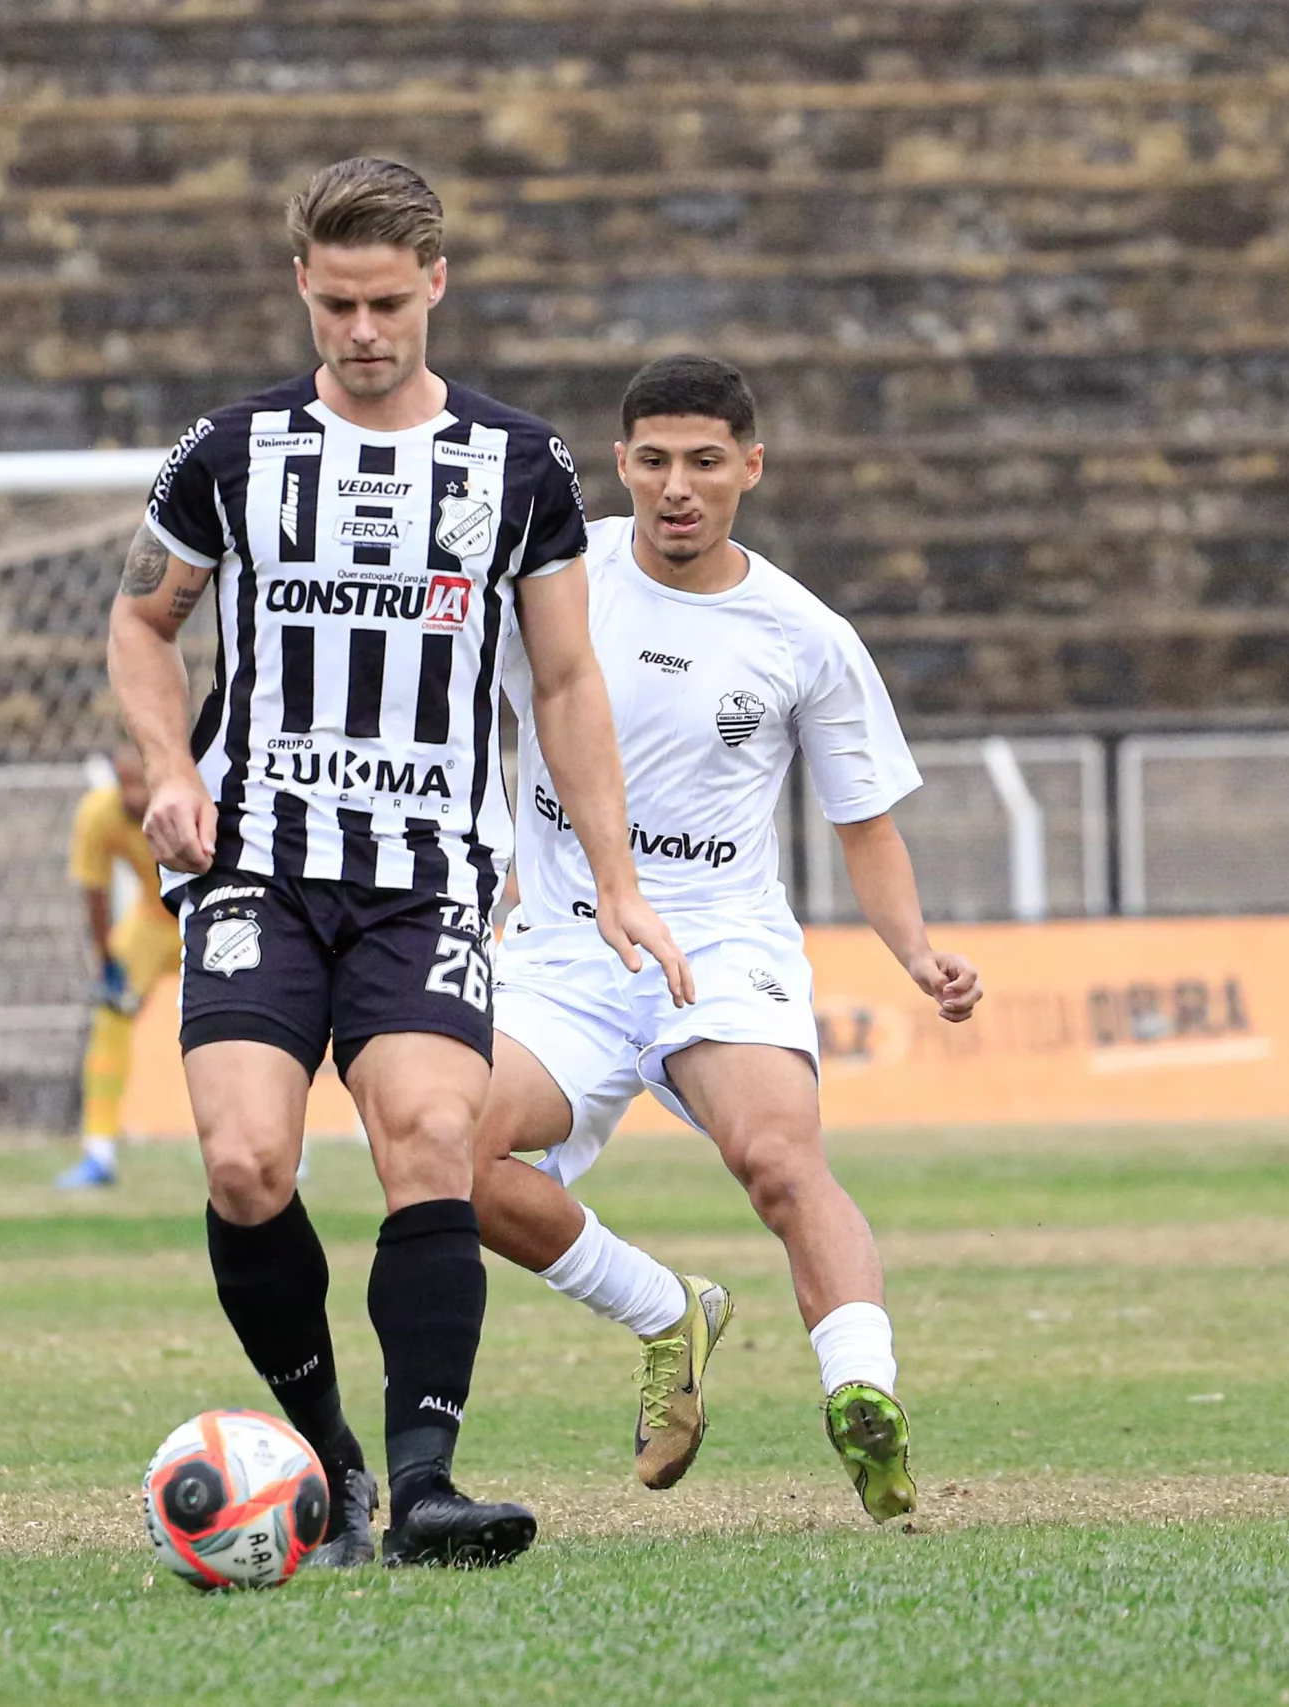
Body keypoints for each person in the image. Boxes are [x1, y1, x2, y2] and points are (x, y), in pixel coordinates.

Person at [105, 157, 691, 1568]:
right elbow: (141, 622)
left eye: (387, 302)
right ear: (302, 286)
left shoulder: (520, 463)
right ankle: (335, 1466)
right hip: (255, 862)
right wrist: (171, 769)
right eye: (337, 304)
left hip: (427, 872)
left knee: (429, 1137)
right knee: (246, 1161)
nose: (363, 330)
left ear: (435, 283)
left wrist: (615, 879)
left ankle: (428, 1485)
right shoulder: (229, 451)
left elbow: (567, 684)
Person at [476, 354, 982, 1522]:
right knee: (448, 1157)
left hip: (717, 944)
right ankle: (666, 1312)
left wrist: (915, 952)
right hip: (561, 949)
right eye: (653, 461)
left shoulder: (804, 635)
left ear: (750, 467)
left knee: (778, 1158)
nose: (677, 487)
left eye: (704, 462)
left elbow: (863, 823)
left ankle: (861, 1393)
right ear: (620, 465)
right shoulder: (555, 578)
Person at [55, 744, 181, 1191]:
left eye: (140, 783)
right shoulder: (100, 814)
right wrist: (107, 960)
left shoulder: (192, 797)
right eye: (124, 783)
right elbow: (94, 888)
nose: (133, 796)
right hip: (151, 922)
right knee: (109, 1018)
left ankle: (287, 1151)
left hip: (206, 917)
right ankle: (99, 1152)